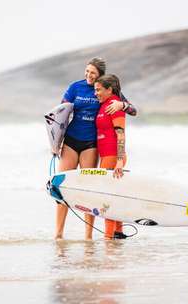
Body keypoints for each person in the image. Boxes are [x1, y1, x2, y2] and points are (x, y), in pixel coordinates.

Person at [55, 58, 136, 240]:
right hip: (71, 141)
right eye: (87, 71)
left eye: (93, 73)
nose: (89, 76)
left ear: (100, 75)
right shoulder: (75, 87)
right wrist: (56, 142)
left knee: (88, 191)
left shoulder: (105, 89)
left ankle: (88, 237)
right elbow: (60, 114)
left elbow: (133, 110)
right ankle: (58, 234)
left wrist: (122, 104)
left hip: (91, 145)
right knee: (63, 187)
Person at [94, 74, 127, 240]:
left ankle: (108, 237)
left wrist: (120, 161)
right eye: (95, 90)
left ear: (109, 89)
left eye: (99, 90)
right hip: (106, 156)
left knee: (107, 197)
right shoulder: (104, 104)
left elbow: (121, 135)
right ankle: (118, 233)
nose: (96, 93)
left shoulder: (115, 105)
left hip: (114, 156)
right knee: (113, 195)